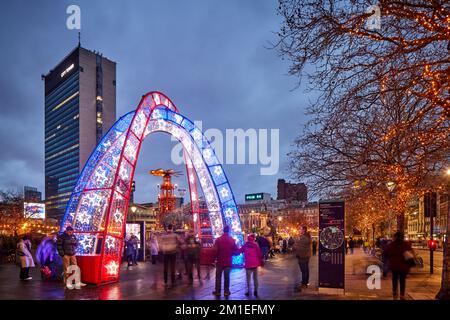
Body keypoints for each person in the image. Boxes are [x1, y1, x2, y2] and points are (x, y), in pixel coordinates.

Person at [384, 231, 414, 300]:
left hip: (394, 266)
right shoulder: (406, 244)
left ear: (395, 237)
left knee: (394, 279)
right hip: (403, 266)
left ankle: (395, 292)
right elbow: (411, 254)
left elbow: (385, 254)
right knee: (402, 280)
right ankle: (402, 295)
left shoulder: (391, 245)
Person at [212, 225, 238, 297]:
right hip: (228, 261)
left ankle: (217, 291)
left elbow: (215, 250)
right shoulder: (232, 240)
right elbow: (236, 250)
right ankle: (226, 291)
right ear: (229, 231)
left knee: (218, 277)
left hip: (220, 261)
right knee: (227, 277)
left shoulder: (218, 239)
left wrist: (214, 259)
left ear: (223, 231)